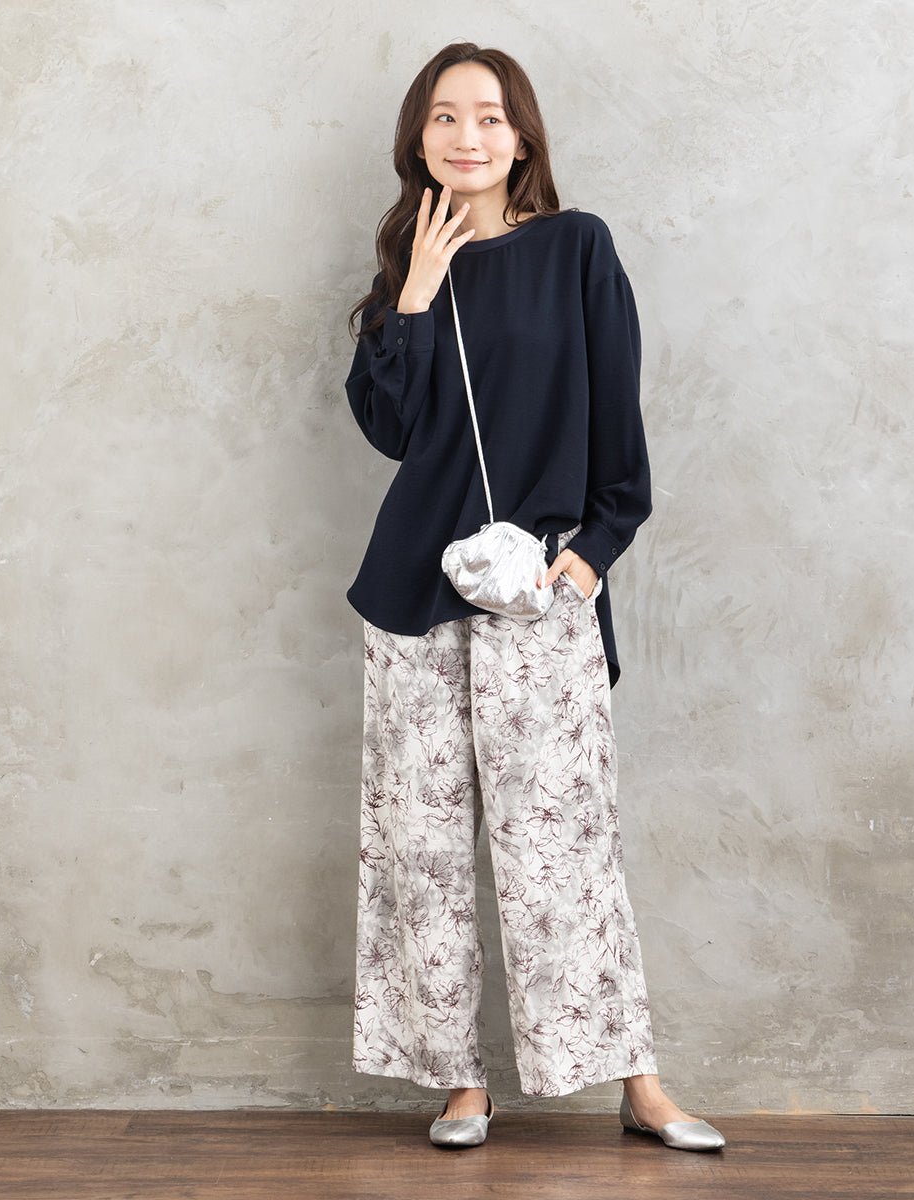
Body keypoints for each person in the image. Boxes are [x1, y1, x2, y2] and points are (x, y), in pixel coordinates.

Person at [344, 41, 725, 1153]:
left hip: (542, 588)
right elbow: (391, 431)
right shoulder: (402, 268)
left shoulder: (575, 247)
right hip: (414, 593)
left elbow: (618, 416)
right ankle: (458, 1083)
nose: (467, 135)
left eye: (489, 116)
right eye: (445, 116)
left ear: (522, 138)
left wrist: (597, 548)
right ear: (419, 138)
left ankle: (634, 1083)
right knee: (421, 851)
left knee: (564, 848)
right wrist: (415, 296)